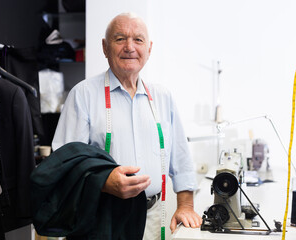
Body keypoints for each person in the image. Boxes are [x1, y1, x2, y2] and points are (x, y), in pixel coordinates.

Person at [52, 12, 202, 239]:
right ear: (105, 47)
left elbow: (180, 158)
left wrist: (185, 206)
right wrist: (102, 182)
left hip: (152, 219)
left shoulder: (162, 97)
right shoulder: (83, 95)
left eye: (138, 40)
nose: (129, 47)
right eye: (120, 38)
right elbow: (65, 165)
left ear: (149, 49)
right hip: (100, 219)